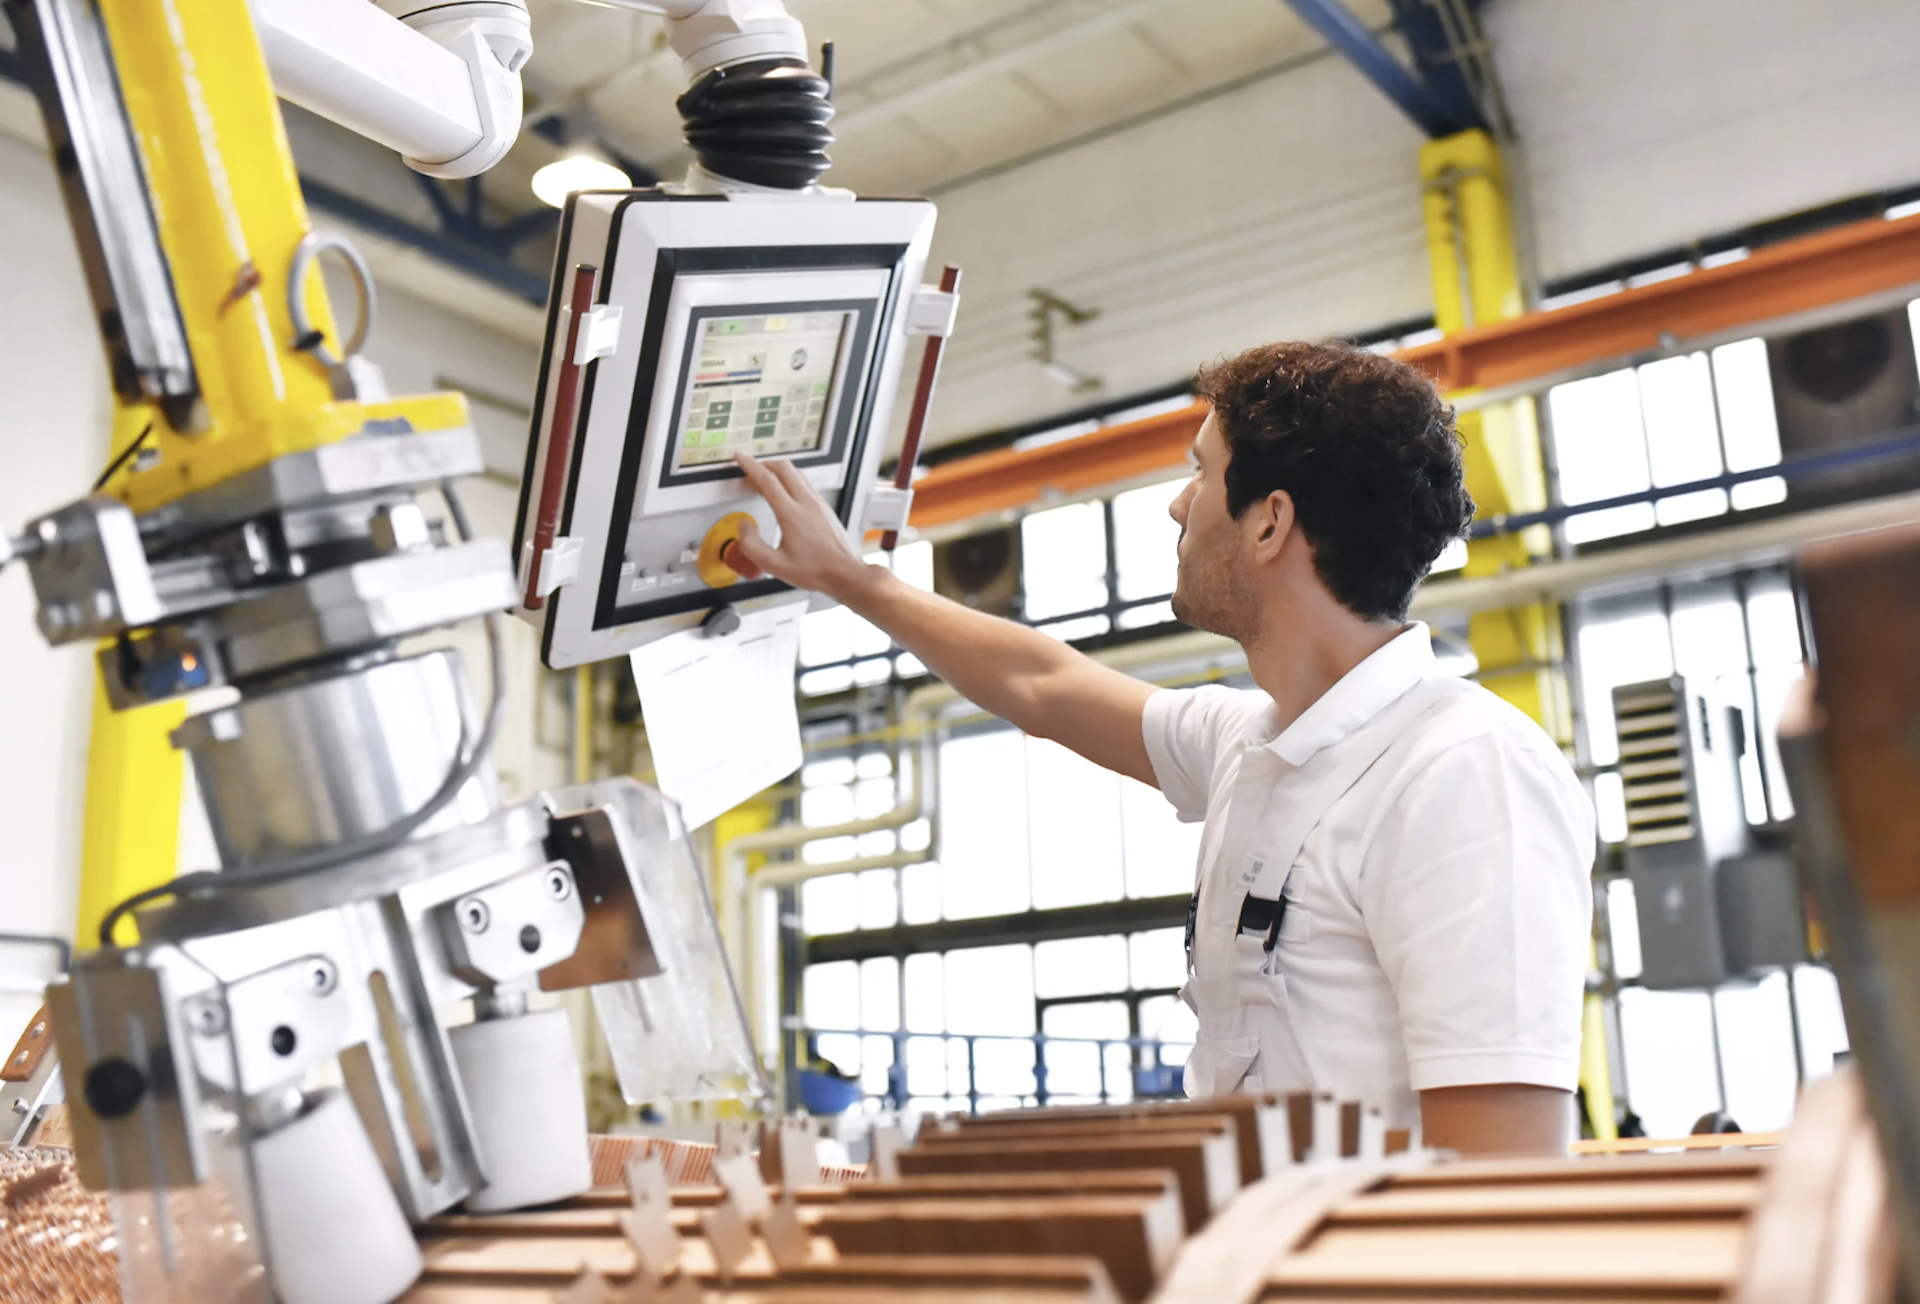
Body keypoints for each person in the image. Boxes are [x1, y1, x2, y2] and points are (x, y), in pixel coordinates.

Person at [727, 340, 1595, 1155]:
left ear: (1269, 524)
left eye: (1201, 473)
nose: (1177, 505)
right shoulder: (1254, 747)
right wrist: (850, 578)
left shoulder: (1462, 772)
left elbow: (1501, 1167)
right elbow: (1043, 686)